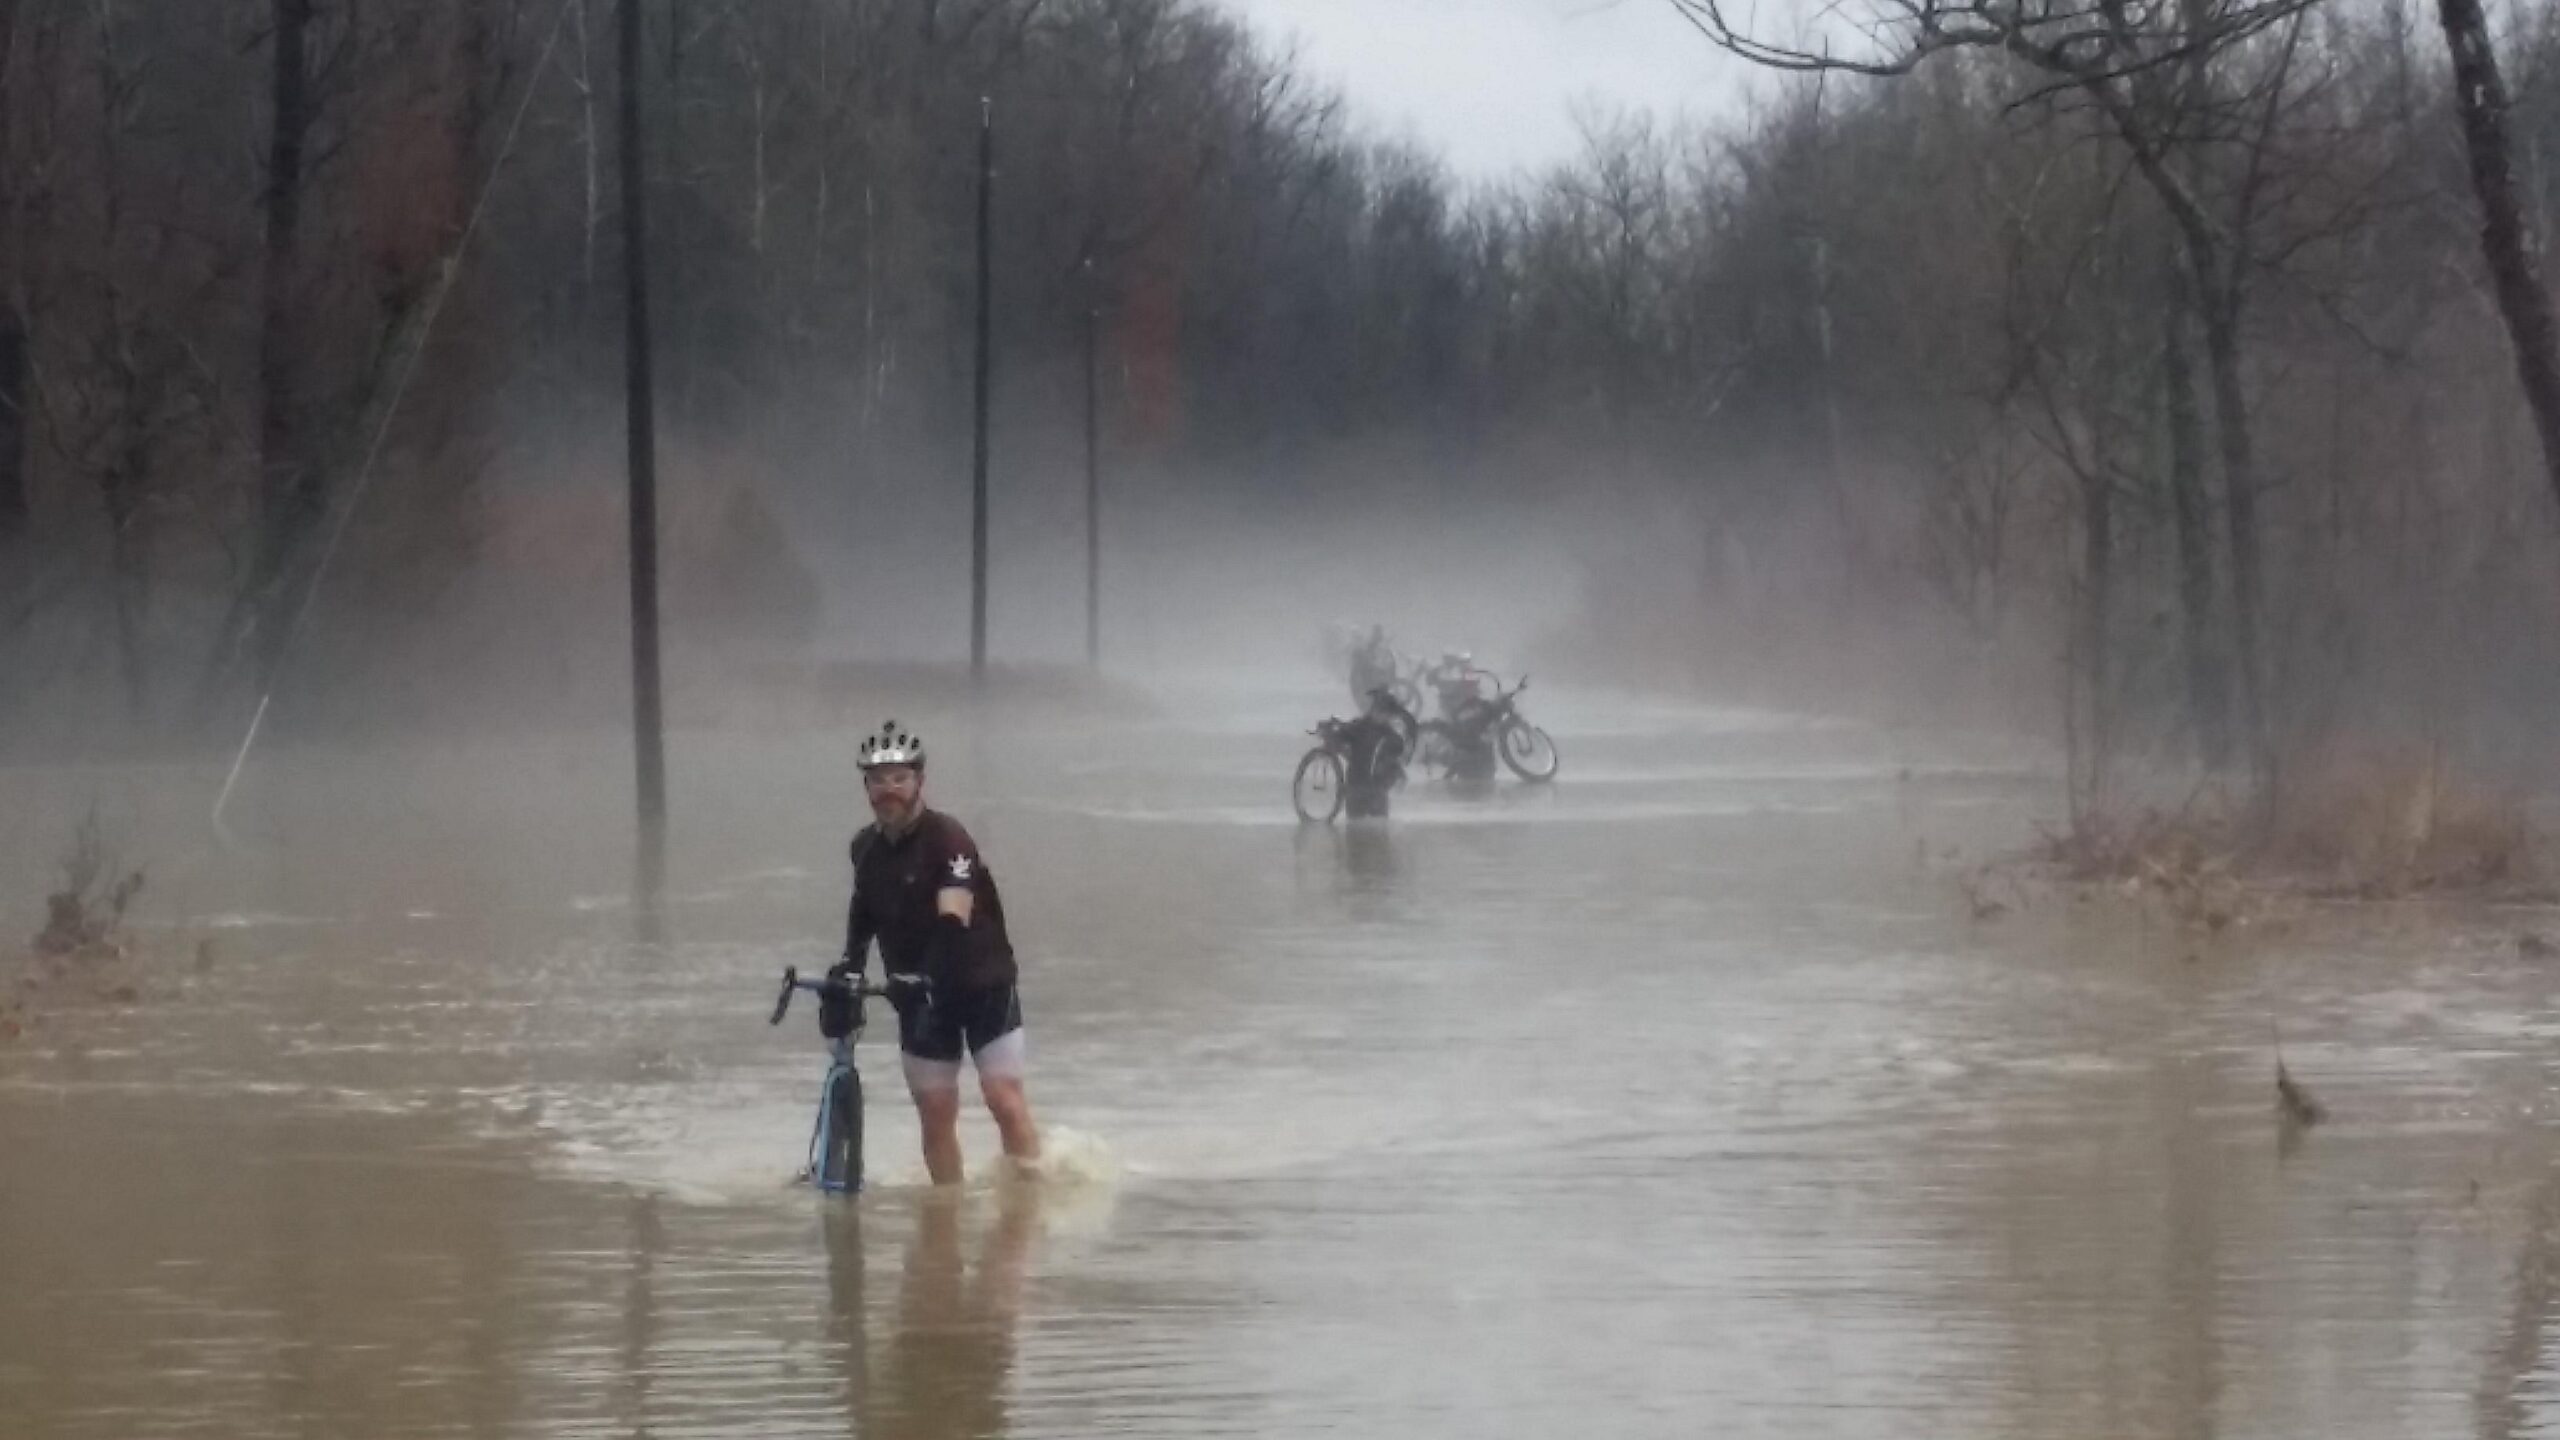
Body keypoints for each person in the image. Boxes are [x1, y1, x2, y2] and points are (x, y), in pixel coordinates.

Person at [833, 720, 1041, 1185]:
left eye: (900, 779)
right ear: (866, 786)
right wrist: (850, 961)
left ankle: (1029, 1206)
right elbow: (864, 906)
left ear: (919, 782)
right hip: (918, 996)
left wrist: (924, 975)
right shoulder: (863, 848)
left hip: (981, 982)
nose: (889, 791)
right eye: (878, 781)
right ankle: (947, 1217)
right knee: (935, 1110)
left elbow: (953, 915)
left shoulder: (949, 839)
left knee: (1001, 1098)